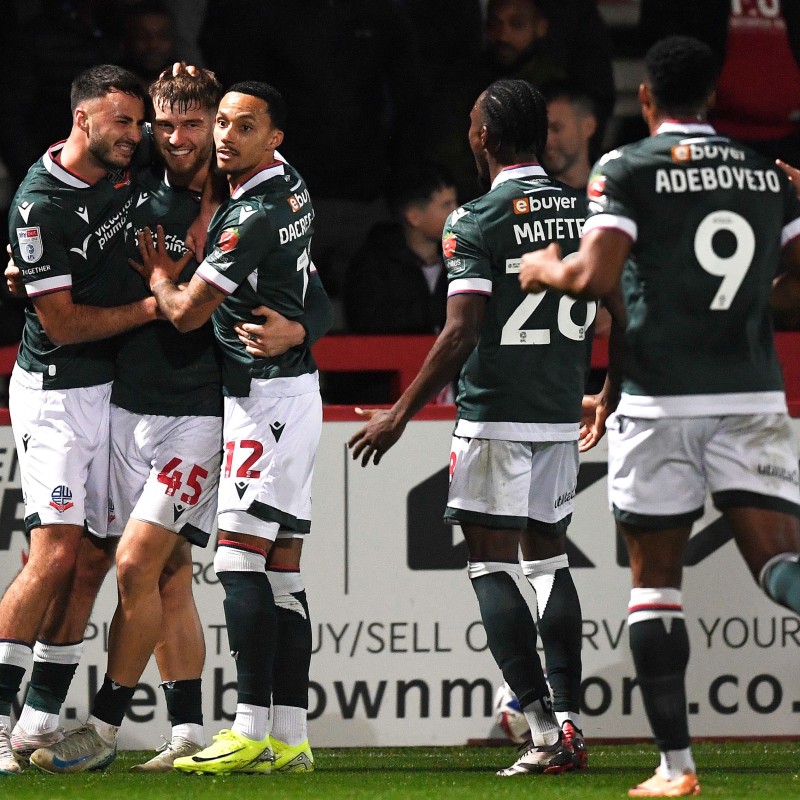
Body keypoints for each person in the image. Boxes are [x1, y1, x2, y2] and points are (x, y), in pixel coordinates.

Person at [25, 69, 331, 775]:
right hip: (125, 403)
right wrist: (21, 277)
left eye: (199, 124)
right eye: (168, 126)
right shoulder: (125, 196)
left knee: (138, 562)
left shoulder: (241, 194)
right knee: (164, 576)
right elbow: (74, 273)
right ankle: (190, 729)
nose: (186, 138)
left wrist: (301, 331)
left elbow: (305, 286)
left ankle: (100, 729)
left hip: (202, 411)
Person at [518, 36, 800, 798]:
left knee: (656, 586)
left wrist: (541, 266)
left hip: (664, 399)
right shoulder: (763, 171)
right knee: (781, 569)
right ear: (713, 97)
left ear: (645, 99)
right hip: (750, 392)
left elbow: (591, 278)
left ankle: (676, 768)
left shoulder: (628, 168)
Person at [348, 78, 610, 777]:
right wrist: (605, 390)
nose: (469, 133)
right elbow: (618, 310)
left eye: (472, 123)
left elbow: (461, 331)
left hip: (495, 412)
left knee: (492, 564)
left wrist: (400, 413)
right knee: (549, 560)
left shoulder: (476, 219)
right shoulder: (588, 211)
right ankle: (568, 718)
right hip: (558, 413)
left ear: (487, 138)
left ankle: (540, 730)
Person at [120, 80, 322, 776]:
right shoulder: (290, 186)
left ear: (275, 138)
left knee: (238, 562)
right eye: (224, 123)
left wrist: (156, 273)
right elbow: (312, 287)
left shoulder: (251, 214)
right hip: (293, 391)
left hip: (262, 400)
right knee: (284, 576)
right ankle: (292, 740)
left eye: (244, 126)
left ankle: (246, 727)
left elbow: (184, 312)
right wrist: (300, 323)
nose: (225, 136)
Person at [0, 64, 156, 776]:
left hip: (116, 394)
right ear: (84, 117)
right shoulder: (38, 207)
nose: (136, 135)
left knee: (94, 558)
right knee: (55, 553)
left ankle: (37, 721)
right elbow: (60, 326)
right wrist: (154, 308)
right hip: (58, 391)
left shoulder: (130, 170)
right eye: (122, 120)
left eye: (139, 122)